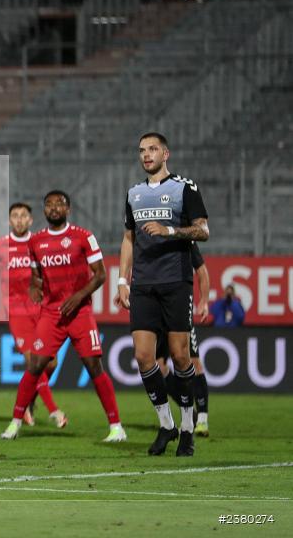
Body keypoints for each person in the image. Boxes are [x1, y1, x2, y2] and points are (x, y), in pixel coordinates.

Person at [1, 190, 125, 442]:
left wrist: (79, 296)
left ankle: (116, 427)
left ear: (68, 210)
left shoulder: (83, 237)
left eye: (59, 204)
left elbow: (100, 274)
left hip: (80, 312)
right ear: (44, 210)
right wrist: (35, 286)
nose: (54, 207)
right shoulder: (35, 242)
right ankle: (15, 423)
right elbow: (37, 275)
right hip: (52, 313)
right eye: (49, 204)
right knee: (35, 366)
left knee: (94, 366)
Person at [116, 132, 209, 457]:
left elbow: (203, 230)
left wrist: (170, 230)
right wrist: (122, 281)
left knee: (181, 357)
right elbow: (128, 238)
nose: (146, 154)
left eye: (152, 149)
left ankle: (187, 428)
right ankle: (166, 424)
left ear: (165, 153)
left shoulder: (185, 187)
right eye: (142, 150)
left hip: (175, 282)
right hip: (142, 284)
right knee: (143, 357)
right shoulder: (134, 193)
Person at [0, 202, 67, 429]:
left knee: (50, 364)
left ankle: (27, 403)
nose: (18, 219)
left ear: (30, 220)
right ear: (9, 220)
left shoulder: (39, 242)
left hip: (41, 310)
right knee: (33, 360)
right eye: (14, 216)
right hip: (16, 313)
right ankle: (54, 411)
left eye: (23, 216)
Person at [156, 243, 211, 437]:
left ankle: (202, 419)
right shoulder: (146, 236)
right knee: (159, 367)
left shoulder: (184, 239)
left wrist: (204, 300)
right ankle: (190, 413)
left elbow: (202, 271)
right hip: (156, 312)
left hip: (179, 311)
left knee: (192, 362)